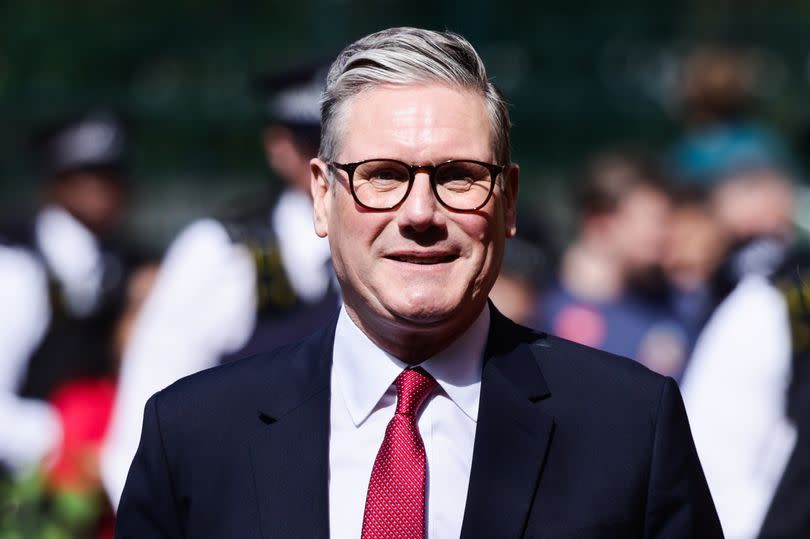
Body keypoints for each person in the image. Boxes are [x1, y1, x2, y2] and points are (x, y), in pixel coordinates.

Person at [115, 27, 722, 538]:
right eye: (382, 175)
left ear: (508, 201)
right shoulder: (193, 437)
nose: (420, 213)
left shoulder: (628, 426)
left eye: (458, 176)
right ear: (322, 197)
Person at [99, 61, 338, 507]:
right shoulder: (220, 253)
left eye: (345, 143)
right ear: (280, 147)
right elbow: (144, 424)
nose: (330, 161)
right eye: (316, 142)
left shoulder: (409, 247)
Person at [0, 110, 141, 474]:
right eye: (85, 177)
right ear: (55, 184)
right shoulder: (18, 270)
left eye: (111, 177)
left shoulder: (131, 266)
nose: (102, 191)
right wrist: (67, 439)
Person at [535, 151, 690, 380]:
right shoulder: (538, 310)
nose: (664, 234)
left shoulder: (679, 305)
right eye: (654, 219)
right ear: (602, 222)